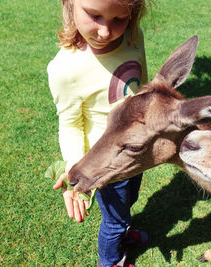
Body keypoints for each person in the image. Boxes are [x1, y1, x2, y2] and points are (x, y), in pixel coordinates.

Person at [48, 0, 150, 266]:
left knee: (129, 201)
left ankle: (125, 233)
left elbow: (141, 87)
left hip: (136, 155)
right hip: (105, 164)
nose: (106, 32)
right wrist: (74, 171)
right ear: (69, 4)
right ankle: (110, 261)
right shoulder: (65, 69)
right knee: (113, 222)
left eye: (119, 19)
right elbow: (70, 125)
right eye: (95, 16)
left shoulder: (132, 36)